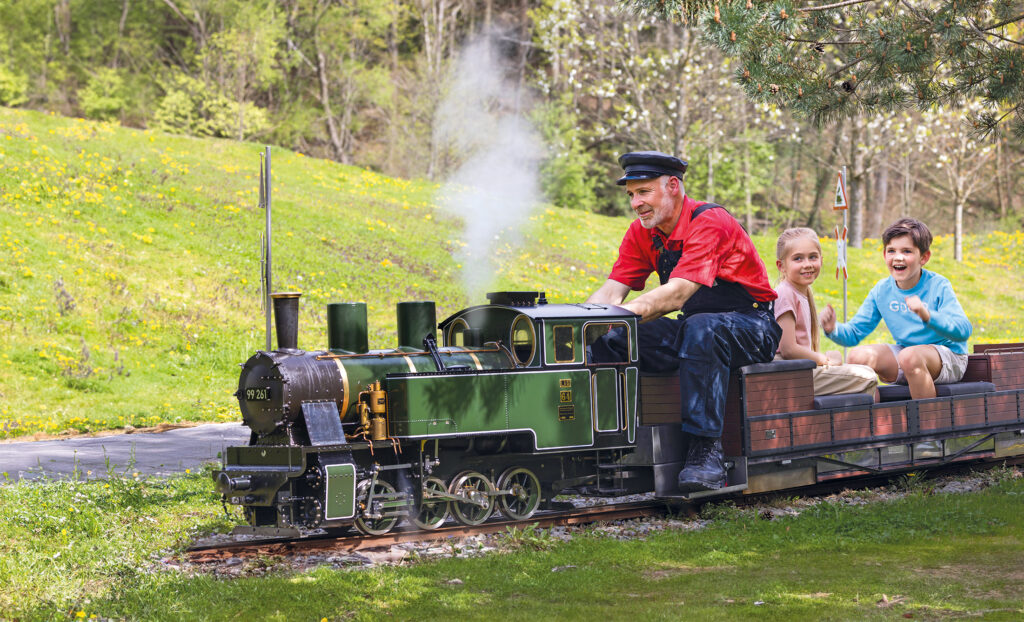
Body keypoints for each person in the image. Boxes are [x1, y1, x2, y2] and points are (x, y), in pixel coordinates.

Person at [587, 150, 781, 493]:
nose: (635, 203)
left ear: (673, 186)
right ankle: (609, 449)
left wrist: (620, 317)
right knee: (611, 341)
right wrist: (579, 325)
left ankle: (706, 452)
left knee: (702, 328)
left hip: (753, 326)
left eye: (643, 192)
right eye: (631, 195)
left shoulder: (711, 221)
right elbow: (612, 291)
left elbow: (677, 294)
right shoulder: (641, 233)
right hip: (696, 327)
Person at [819, 218, 972, 399]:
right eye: (892, 251)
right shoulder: (882, 290)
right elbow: (854, 333)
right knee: (857, 357)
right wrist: (832, 329)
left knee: (909, 356)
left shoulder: (938, 285)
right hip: (907, 354)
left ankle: (927, 423)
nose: (898, 257)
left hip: (949, 358)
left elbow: (963, 331)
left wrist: (927, 315)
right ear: (885, 255)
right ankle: (875, 422)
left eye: (907, 251)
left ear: (924, 257)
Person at [773, 228, 878, 396]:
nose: (807, 264)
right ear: (781, 265)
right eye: (798, 258)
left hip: (800, 369)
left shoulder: (802, 293)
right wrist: (826, 360)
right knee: (867, 378)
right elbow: (788, 349)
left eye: (812, 257)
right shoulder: (785, 293)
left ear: (821, 260)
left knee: (863, 375)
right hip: (789, 374)